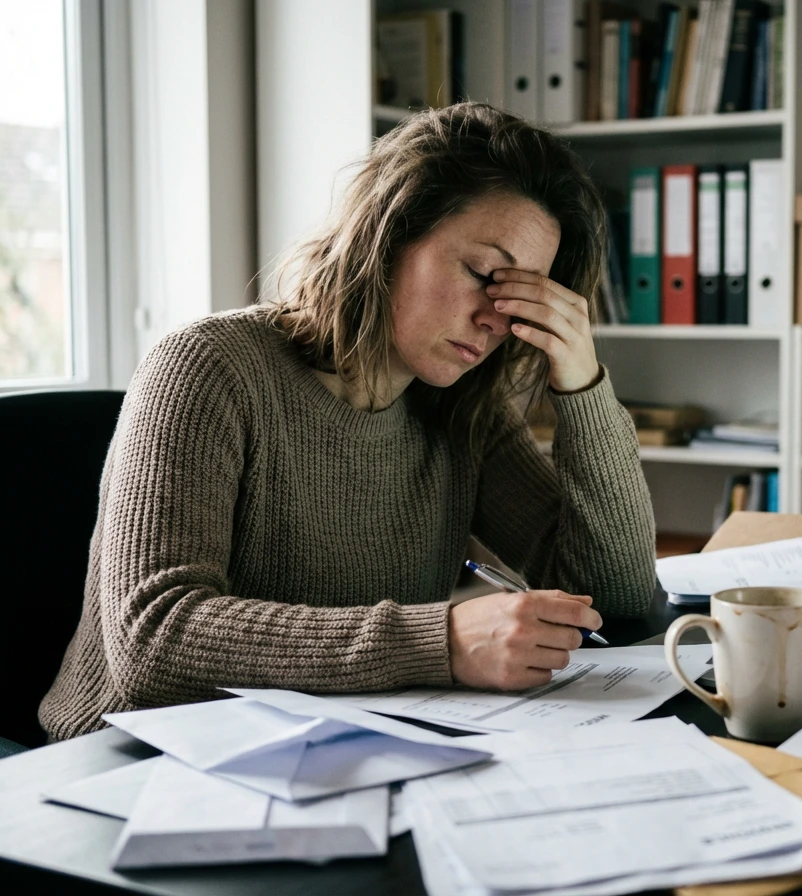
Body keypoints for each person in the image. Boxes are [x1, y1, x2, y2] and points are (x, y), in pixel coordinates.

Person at [40, 103, 658, 741]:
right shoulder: (209, 366)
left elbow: (614, 594)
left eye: (524, 297)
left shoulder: (462, 408)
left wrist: (581, 380)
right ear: (389, 235)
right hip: (130, 762)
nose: (496, 320)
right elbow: (153, 641)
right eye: (482, 275)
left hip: (333, 746)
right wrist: (438, 641)